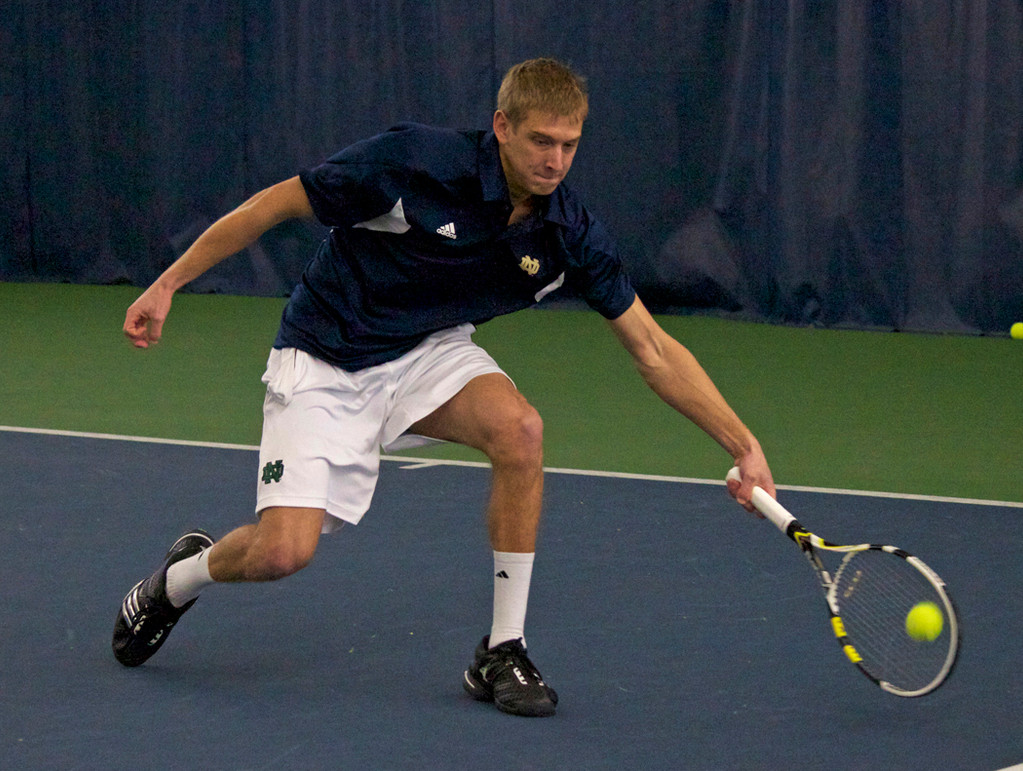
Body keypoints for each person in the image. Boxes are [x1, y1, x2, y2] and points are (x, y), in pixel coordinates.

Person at [113, 57, 776, 718]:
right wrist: (169, 282)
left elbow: (652, 348)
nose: (555, 160)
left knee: (520, 429)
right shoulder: (414, 163)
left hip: (428, 350)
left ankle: (503, 646)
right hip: (327, 352)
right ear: (501, 127)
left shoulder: (568, 231)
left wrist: (742, 443)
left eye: (569, 144)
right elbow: (274, 204)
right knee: (281, 551)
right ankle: (178, 578)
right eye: (541, 141)